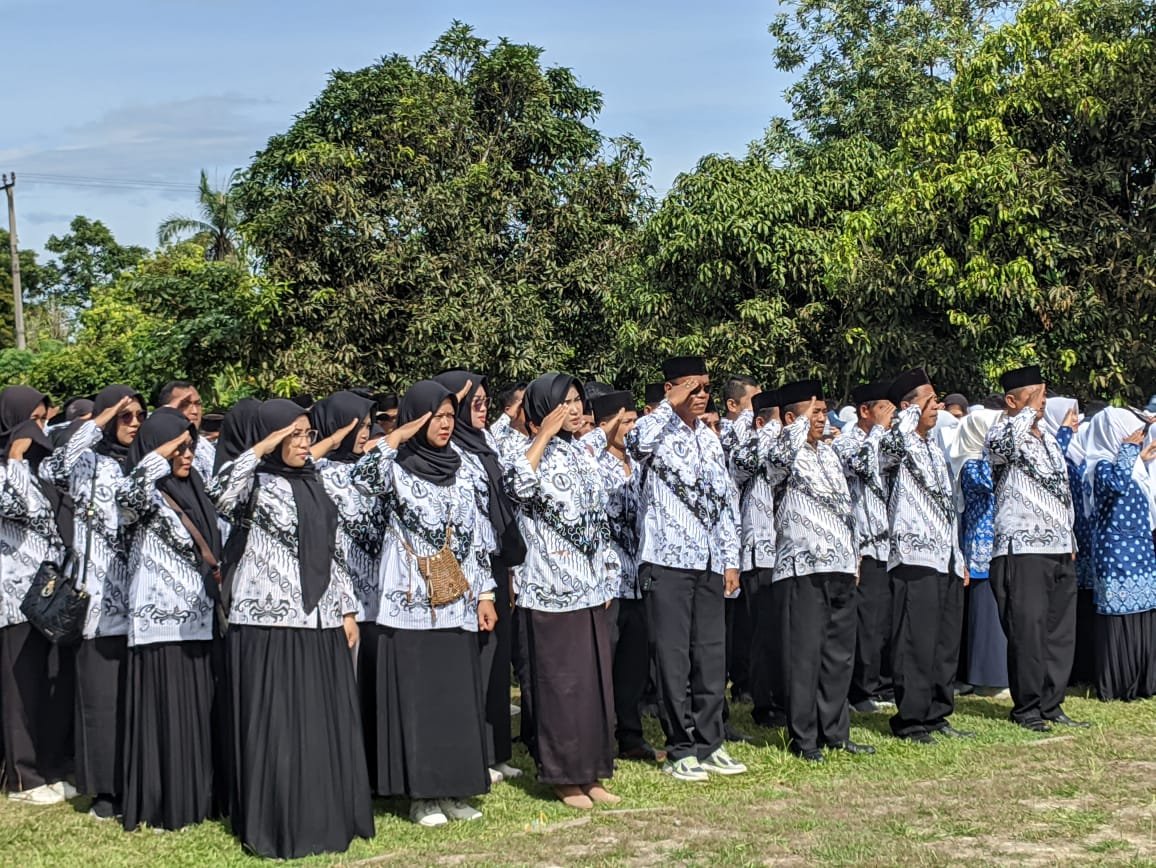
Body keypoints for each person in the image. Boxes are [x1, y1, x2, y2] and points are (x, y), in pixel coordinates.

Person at [212, 399, 372, 859]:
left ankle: (325, 814)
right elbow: (219, 494)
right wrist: (261, 447)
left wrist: (345, 608)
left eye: (306, 434)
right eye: (295, 435)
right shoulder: (253, 483)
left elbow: (330, 548)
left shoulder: (313, 480)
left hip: (319, 618)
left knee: (320, 723)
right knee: (280, 725)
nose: (305, 443)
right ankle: (282, 821)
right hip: (268, 622)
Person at [350, 380, 498, 826]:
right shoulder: (395, 466)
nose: (446, 424)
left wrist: (485, 592)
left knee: (454, 698)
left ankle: (454, 788)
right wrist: (395, 435)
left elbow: (476, 537)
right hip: (410, 603)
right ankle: (423, 797)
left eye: (451, 416)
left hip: (457, 599)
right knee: (419, 701)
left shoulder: (465, 467)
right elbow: (361, 480)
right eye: (436, 416)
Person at [626, 356, 746, 782]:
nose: (700, 396)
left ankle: (710, 741)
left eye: (705, 389)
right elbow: (634, 444)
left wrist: (731, 558)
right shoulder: (655, 430)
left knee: (711, 655)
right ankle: (681, 745)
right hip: (668, 561)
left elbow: (727, 502)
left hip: (710, 562)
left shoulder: (710, 439)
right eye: (691, 388)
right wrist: (668, 403)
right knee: (673, 658)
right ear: (670, 388)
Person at [506, 373, 620, 809]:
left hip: (589, 587)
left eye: (577, 402)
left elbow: (598, 517)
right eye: (564, 403)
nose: (574, 409)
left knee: (592, 686)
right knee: (560, 686)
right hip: (550, 587)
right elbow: (516, 487)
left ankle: (591, 773)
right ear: (542, 410)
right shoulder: (525, 453)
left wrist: (607, 572)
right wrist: (543, 435)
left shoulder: (584, 453)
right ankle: (563, 776)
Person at [40, 384, 146, 817]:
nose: (134, 423)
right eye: (126, 416)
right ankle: (105, 790)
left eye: (139, 415)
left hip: (142, 600)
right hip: (98, 603)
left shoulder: (143, 463)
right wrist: (100, 420)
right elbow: (51, 467)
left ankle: (139, 780)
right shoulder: (87, 463)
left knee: (136, 699)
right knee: (101, 701)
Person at [117, 408, 219, 832]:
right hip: (158, 623)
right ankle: (163, 805)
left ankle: (199, 798)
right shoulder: (144, 490)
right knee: (165, 716)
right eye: (179, 446)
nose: (187, 453)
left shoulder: (196, 485)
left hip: (200, 619)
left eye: (190, 445)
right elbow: (124, 502)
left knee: (196, 714)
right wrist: (161, 454)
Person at [433, 370, 527, 785]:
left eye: (487, 400)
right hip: (462, 567)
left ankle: (497, 751)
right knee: (474, 660)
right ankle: (475, 752)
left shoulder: (484, 444)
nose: (484, 407)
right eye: (476, 402)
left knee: (496, 660)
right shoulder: (449, 448)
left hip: (494, 562)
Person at [768, 381, 869, 761]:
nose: (822, 419)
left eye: (825, 412)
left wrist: (854, 554)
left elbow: (846, 508)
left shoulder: (828, 454)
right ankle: (804, 737)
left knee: (838, 655)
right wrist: (794, 424)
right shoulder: (782, 452)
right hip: (802, 567)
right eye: (814, 413)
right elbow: (776, 457)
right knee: (804, 656)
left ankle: (835, 731)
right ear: (791, 418)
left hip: (840, 565)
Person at [986, 366, 1084, 732]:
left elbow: (1063, 493)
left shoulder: (1045, 440)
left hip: (1058, 545)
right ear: (1012, 400)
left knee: (1059, 630)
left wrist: (1070, 537)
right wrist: (1025, 409)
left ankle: (1051, 702)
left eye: (1043, 394)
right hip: (1021, 547)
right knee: (1028, 629)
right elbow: (1000, 450)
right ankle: (1027, 707)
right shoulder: (1001, 431)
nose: (1043, 401)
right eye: (1035, 394)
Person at [881, 368, 970, 744]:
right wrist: (906, 420)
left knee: (944, 641)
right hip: (913, 555)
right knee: (915, 641)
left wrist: (958, 555)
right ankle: (911, 718)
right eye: (930, 401)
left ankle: (937, 710)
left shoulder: (934, 446)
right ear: (907, 408)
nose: (937, 407)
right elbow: (885, 456)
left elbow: (948, 504)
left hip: (944, 554)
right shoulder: (894, 443)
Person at [0, 387, 73, 805]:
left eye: (44, 421)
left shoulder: (40, 469)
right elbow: (18, 508)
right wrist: (14, 457)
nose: (39, 430)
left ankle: (51, 764)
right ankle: (23, 778)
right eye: (32, 420)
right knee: (20, 687)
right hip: (13, 599)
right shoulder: (8, 469)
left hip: (47, 596)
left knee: (49, 684)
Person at [581, 390, 662, 763]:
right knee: (604, 663)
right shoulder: (592, 464)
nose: (631, 429)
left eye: (633, 421)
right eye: (624, 422)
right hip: (608, 581)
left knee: (632, 665)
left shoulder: (639, 462)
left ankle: (631, 736)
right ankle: (598, 739)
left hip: (638, 579)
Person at [308, 390, 383, 788]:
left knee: (375, 687)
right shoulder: (316, 472)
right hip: (341, 594)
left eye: (368, 426)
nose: (363, 433)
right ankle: (349, 774)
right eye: (354, 426)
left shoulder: (372, 466)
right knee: (346, 687)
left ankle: (377, 770)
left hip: (380, 596)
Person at [1083, 409, 1156, 701]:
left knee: (1142, 613)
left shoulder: (1132, 464)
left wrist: (1138, 454)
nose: (1136, 439)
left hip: (1140, 550)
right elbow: (1116, 485)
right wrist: (1127, 451)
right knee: (1119, 616)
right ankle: (1119, 682)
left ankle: (1144, 681)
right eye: (1130, 433)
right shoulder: (1100, 466)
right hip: (1116, 553)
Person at [832, 380, 896, 714]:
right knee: (866, 624)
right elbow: (860, 465)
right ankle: (859, 690)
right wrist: (878, 432)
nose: (891, 416)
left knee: (884, 622)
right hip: (863, 545)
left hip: (891, 544)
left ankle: (881, 683)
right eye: (884, 409)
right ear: (865, 411)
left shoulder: (886, 440)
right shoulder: (847, 442)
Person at [731, 389, 784, 729]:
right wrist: (768, 429)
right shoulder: (749, 445)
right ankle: (764, 703)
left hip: (788, 553)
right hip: (758, 551)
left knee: (784, 633)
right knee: (763, 635)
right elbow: (739, 466)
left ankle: (785, 697)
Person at [949, 409, 1008, 695]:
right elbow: (989, 482)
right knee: (986, 611)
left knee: (996, 609)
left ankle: (996, 673)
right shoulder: (969, 463)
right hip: (980, 544)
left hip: (997, 541)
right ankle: (987, 677)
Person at [1040, 397, 1096, 686]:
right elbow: (1052, 467)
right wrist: (1061, 432)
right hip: (1059, 539)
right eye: (1068, 415)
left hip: (1079, 536)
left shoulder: (1077, 449)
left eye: (1075, 415)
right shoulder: (1049, 446)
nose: (1074, 420)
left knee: (1081, 605)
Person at [157, 381, 215, 480]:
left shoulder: (206, 446)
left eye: (197, 404)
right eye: (184, 405)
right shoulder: (160, 446)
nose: (194, 411)